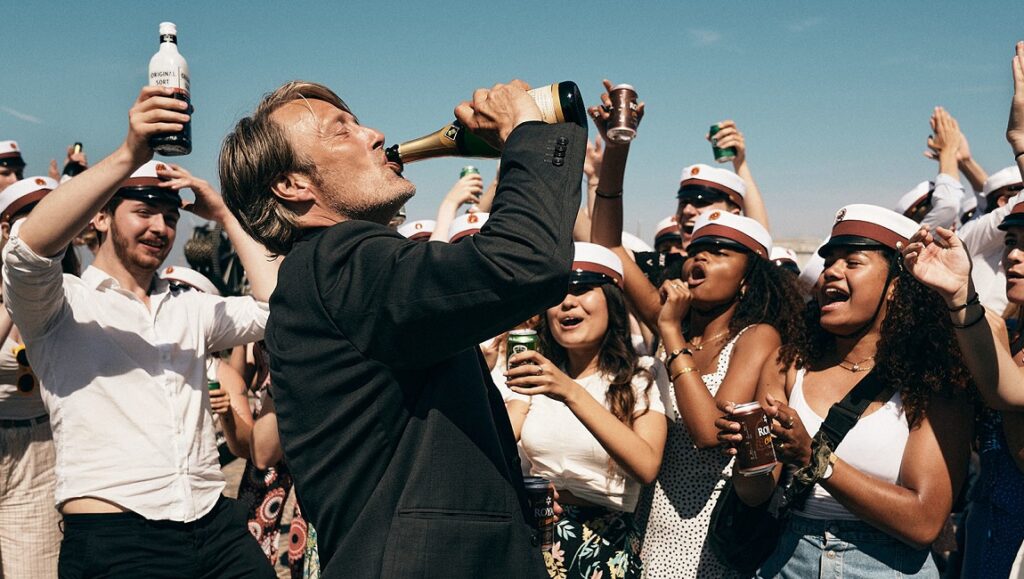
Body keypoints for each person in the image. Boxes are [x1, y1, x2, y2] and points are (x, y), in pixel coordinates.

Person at [218, 79, 586, 578]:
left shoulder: (329, 278)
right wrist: (527, 131)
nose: (375, 134)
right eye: (340, 131)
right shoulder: (338, 262)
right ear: (293, 186)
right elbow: (524, 263)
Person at [3, 85, 280, 578]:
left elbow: (274, 306)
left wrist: (223, 214)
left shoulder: (190, 307)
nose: (160, 228)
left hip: (211, 523)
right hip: (117, 538)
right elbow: (26, 251)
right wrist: (130, 153)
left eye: (170, 217)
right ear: (103, 215)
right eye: (144, 211)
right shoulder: (62, 303)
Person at [586, 81, 805, 578]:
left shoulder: (757, 337)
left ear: (749, 281)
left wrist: (669, 336)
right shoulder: (676, 317)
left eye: (720, 252)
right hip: (649, 523)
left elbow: (709, 432)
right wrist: (618, 149)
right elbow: (607, 245)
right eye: (696, 250)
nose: (700, 257)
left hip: (706, 540)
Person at [718, 204, 973, 578]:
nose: (831, 273)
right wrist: (749, 456)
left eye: (852, 262)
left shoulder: (933, 378)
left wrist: (815, 459)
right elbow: (757, 493)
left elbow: (924, 522)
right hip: (789, 559)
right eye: (828, 263)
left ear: (895, 286)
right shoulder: (787, 363)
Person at [503, 242, 669, 579]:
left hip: (603, 546)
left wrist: (570, 391)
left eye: (582, 290)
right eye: (558, 293)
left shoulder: (643, 375)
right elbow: (503, 438)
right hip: (534, 535)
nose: (567, 302)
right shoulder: (537, 372)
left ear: (611, 301)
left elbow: (647, 466)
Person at [0, 176, 67, 578]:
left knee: (35, 570)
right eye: (32, 221)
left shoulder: (68, 292)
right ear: (6, 229)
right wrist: (13, 291)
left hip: (39, 450)